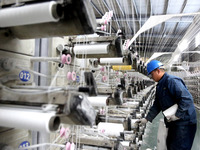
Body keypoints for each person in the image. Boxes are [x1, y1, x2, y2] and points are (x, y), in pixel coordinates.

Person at [138, 60, 197, 150]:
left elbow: (186, 99)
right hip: (174, 123)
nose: (151, 77)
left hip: (184, 123)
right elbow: (157, 104)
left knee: (179, 148)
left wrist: (177, 115)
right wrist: (147, 118)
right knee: (170, 146)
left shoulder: (172, 81)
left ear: (158, 71)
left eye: (151, 74)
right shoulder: (160, 86)